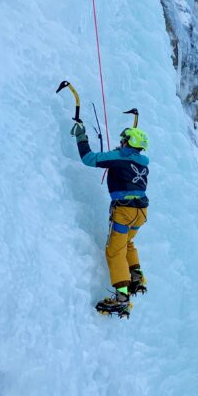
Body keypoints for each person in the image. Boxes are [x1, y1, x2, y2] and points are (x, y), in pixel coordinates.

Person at [70, 121, 150, 316]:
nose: (121, 142)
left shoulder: (118, 157)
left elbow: (89, 159)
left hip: (124, 211)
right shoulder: (141, 162)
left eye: (123, 140)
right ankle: (136, 276)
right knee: (128, 242)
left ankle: (122, 298)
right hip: (141, 211)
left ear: (127, 142)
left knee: (115, 251)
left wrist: (82, 137)